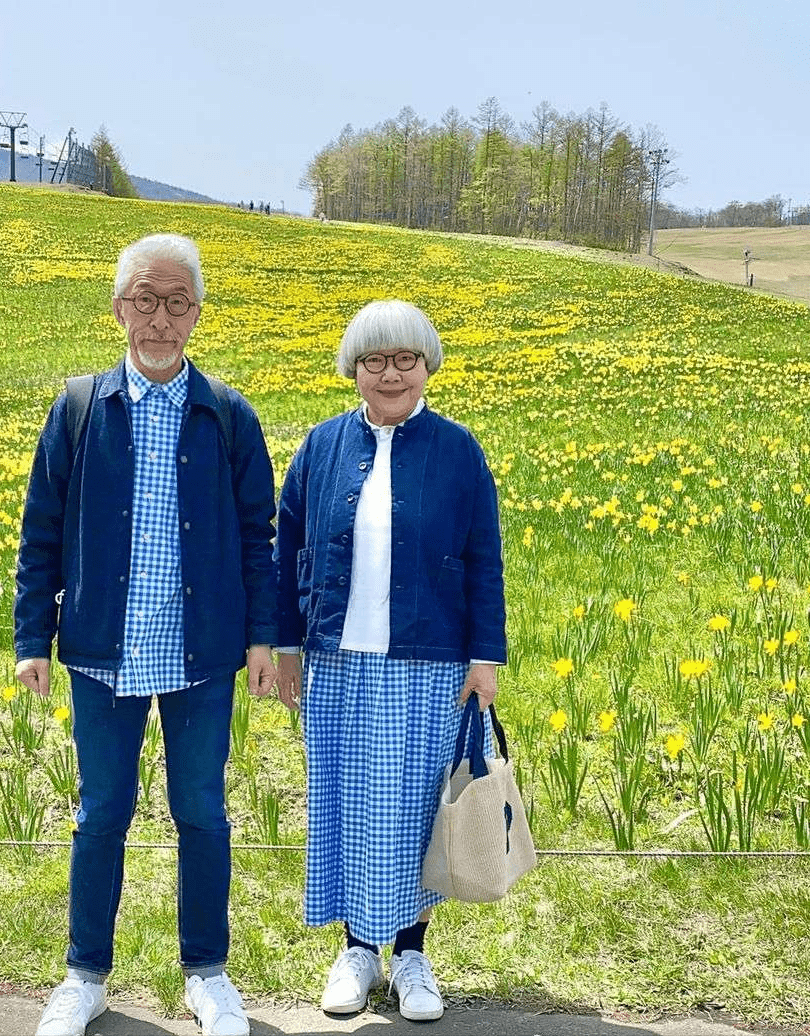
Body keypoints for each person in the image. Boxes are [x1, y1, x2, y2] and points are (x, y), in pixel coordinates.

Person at [14, 233, 278, 1036]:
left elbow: (257, 537)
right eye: (144, 300)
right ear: (118, 307)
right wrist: (32, 638)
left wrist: (262, 639)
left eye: (176, 302)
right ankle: (85, 975)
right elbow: (41, 532)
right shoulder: (79, 407)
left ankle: (208, 974)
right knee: (102, 814)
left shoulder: (227, 415)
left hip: (201, 651)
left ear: (197, 313)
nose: (159, 318)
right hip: (101, 648)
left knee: (201, 810)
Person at [273, 300, 506, 1023]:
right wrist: (284, 646)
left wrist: (485, 657)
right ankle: (356, 953)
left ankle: (410, 955)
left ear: (428, 366)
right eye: (374, 360)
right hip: (336, 661)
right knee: (346, 805)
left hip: (428, 660)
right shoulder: (320, 446)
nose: (390, 373)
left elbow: (483, 560)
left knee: (412, 810)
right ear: (353, 370)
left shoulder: (459, 450)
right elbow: (285, 555)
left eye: (406, 359)